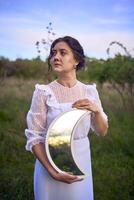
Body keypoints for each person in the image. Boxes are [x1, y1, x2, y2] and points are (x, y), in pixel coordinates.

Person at [25, 36, 108, 200]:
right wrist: (53, 171)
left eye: (63, 53)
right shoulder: (43, 92)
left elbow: (102, 131)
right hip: (50, 163)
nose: (56, 57)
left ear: (76, 60)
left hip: (81, 160)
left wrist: (97, 111)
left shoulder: (89, 92)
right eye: (53, 53)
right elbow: (34, 137)